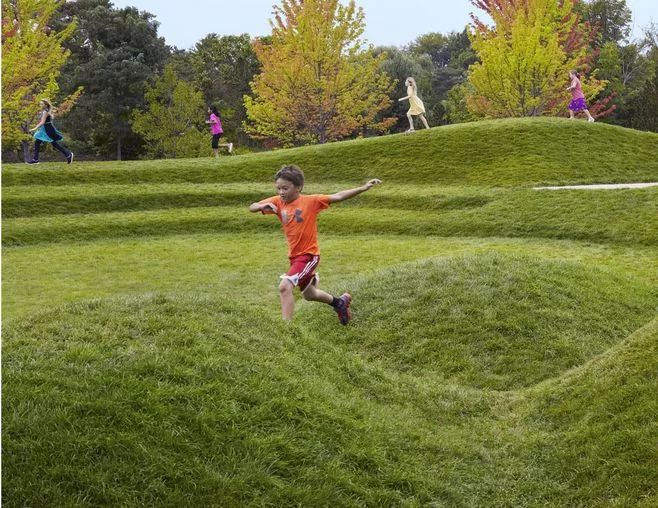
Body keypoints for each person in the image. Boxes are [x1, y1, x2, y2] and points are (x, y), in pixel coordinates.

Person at [249, 164, 382, 324]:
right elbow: (253, 206)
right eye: (278, 188)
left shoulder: (311, 201)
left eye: (285, 188)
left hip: (308, 255)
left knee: (285, 286)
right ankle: (339, 302)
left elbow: (338, 196)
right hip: (294, 256)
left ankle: (285, 329)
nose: (281, 192)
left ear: (298, 187)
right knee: (309, 294)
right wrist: (261, 206)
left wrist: (364, 188)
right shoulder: (278, 202)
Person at [26, 99, 73, 165]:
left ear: (46, 105)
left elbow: (42, 122)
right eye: (40, 104)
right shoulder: (45, 111)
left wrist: (35, 128)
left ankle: (68, 154)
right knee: (37, 142)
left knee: (54, 144)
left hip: (48, 129)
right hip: (44, 128)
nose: (40, 105)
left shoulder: (45, 111)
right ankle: (35, 159)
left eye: (42, 104)